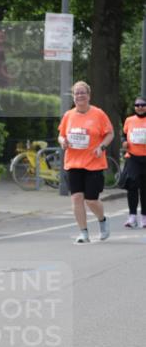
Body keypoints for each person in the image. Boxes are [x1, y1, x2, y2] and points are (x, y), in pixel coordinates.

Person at [58, 81, 114, 243]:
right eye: (77, 93)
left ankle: (102, 220)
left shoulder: (98, 114)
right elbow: (61, 135)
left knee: (91, 199)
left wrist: (101, 147)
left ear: (89, 96)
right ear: (73, 97)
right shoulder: (68, 115)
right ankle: (83, 233)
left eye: (83, 92)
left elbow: (110, 133)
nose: (80, 95)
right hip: (73, 163)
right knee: (76, 198)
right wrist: (62, 142)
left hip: (93, 163)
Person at [121, 96, 146, 228]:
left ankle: (144, 217)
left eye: (143, 105)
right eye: (137, 105)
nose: (140, 107)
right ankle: (132, 216)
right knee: (132, 186)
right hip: (133, 157)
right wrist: (124, 142)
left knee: (144, 188)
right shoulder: (129, 120)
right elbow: (124, 136)